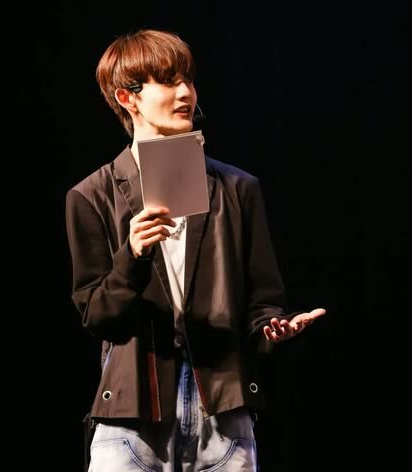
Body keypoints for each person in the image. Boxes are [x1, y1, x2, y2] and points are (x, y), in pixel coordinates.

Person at [65, 29, 326, 472]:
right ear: (127, 98)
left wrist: (270, 329)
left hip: (222, 415)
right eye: (168, 82)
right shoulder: (91, 196)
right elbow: (98, 316)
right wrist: (132, 256)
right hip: (133, 418)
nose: (186, 92)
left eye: (188, 79)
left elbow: (262, 300)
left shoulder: (238, 189)